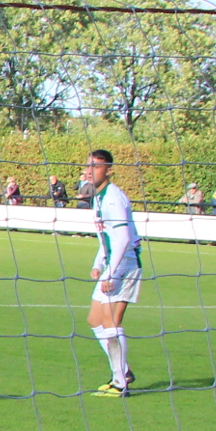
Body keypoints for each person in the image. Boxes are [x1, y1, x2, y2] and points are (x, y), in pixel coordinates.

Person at [85, 148, 141, 397]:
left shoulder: (113, 198)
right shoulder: (98, 197)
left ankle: (120, 382)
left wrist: (111, 273)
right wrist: (98, 263)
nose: (89, 171)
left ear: (108, 170)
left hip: (124, 265)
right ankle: (123, 371)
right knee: (94, 320)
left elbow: (123, 238)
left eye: (96, 166)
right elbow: (107, 236)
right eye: (88, 166)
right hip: (112, 264)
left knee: (111, 323)